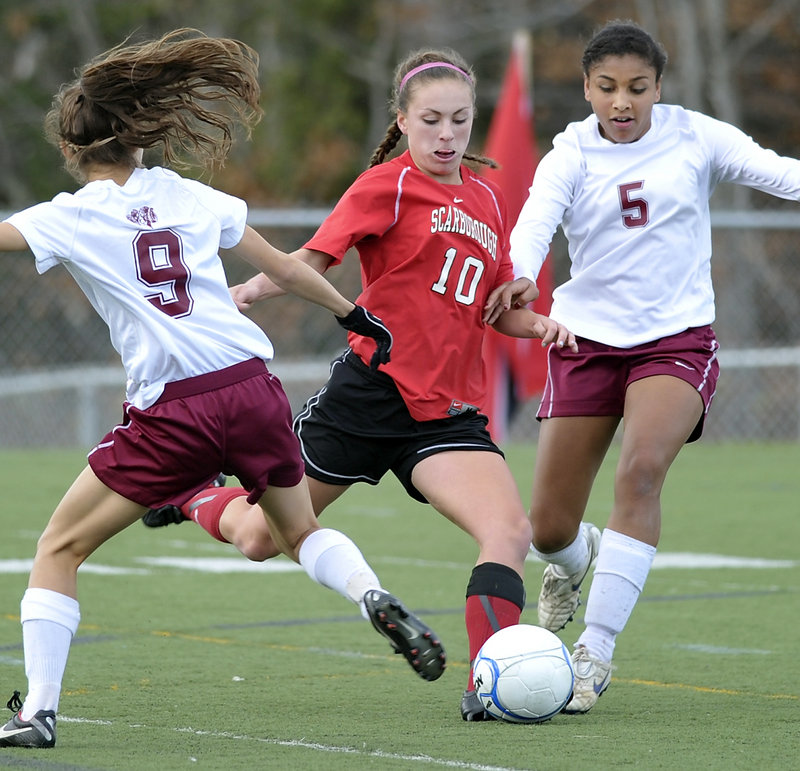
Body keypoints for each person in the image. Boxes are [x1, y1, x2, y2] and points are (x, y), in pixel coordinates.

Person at [0, 29, 447, 750]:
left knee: (58, 548)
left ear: (73, 150)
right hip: (252, 388)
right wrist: (353, 314)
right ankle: (374, 596)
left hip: (175, 409)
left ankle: (39, 711)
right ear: (137, 138)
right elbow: (289, 267)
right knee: (299, 531)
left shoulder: (69, 215)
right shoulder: (184, 194)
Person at [141, 46, 577, 722]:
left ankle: (487, 679)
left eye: (459, 121)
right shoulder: (387, 184)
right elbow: (311, 259)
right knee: (260, 538)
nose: (446, 135)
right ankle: (194, 493)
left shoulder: (488, 200)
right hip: (366, 398)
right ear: (402, 120)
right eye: (430, 120)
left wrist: (540, 323)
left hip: (445, 416)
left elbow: (494, 309)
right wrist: (252, 288)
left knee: (509, 531)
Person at [494, 19, 800, 714]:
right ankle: (575, 561)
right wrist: (516, 275)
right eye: (606, 88)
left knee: (641, 471)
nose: (622, 102)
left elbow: (782, 175)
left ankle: (594, 651)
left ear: (659, 86)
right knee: (546, 528)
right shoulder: (569, 154)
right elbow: (533, 225)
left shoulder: (695, 135)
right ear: (587, 89)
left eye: (636, 88)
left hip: (675, 342)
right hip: (584, 343)